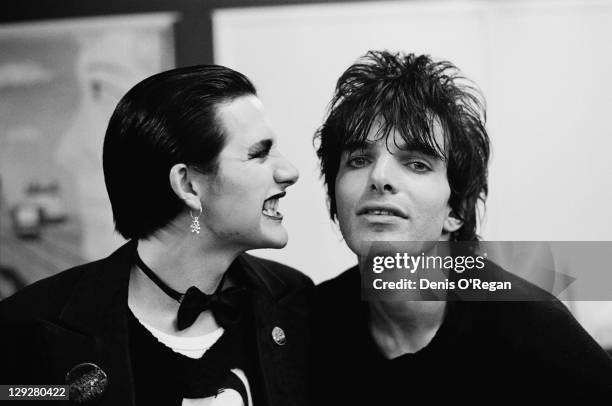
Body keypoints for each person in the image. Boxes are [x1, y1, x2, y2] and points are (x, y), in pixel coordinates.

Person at [0, 65, 312, 406]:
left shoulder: (292, 299)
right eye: (260, 153)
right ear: (188, 186)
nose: (289, 172)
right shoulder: (30, 329)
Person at [312, 51, 612, 404]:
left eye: (417, 164)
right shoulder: (308, 324)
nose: (379, 178)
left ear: (456, 209)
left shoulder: (528, 325)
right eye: (359, 160)